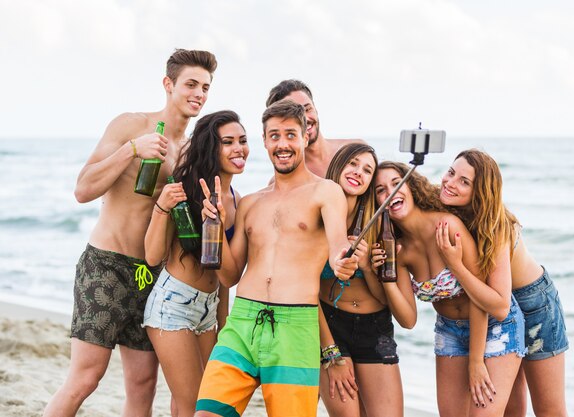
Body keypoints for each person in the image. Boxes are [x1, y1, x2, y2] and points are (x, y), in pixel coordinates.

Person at [44, 49, 217, 417]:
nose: (198, 93)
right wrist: (131, 150)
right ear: (168, 85)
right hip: (105, 264)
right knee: (86, 378)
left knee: (142, 385)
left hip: (152, 276)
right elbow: (82, 190)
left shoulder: (190, 151)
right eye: (190, 84)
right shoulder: (130, 125)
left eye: (205, 87)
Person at [194, 100, 359, 417]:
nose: (282, 144)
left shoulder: (325, 192)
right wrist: (212, 225)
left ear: (305, 136)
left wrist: (344, 261)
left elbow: (339, 244)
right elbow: (229, 276)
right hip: (242, 324)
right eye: (274, 136)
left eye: (290, 135)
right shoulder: (251, 203)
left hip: (295, 329)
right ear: (265, 140)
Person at [371, 161, 525, 417]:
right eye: (380, 190)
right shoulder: (399, 250)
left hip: (496, 326)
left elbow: (479, 296)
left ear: (410, 186)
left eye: (396, 183)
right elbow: (408, 320)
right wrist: (385, 276)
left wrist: (476, 362)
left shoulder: (448, 225)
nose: (390, 193)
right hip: (449, 331)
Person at [437, 149, 569, 417]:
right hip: (497, 313)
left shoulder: (495, 225)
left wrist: (456, 265)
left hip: (535, 306)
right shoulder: (451, 210)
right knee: (509, 408)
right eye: (451, 173)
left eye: (464, 181)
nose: (451, 183)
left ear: (480, 191)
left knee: (549, 409)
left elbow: (498, 302)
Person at [141, 110, 248, 417]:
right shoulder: (186, 188)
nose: (239, 148)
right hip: (172, 306)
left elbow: (228, 275)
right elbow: (151, 257)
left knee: (200, 401)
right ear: (211, 147)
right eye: (228, 142)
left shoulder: (238, 199)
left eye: (242, 140)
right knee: (192, 404)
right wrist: (162, 207)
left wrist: (223, 320)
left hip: (209, 311)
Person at [318, 143, 410, 417]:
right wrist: (330, 352)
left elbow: (390, 305)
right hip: (330, 326)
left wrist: (368, 267)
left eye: (367, 170)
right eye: (353, 164)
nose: (359, 172)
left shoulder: (378, 224)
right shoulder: (316, 216)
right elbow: (305, 291)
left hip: (375, 327)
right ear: (338, 165)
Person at [266, 79, 365, 177]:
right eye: (293, 115)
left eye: (308, 109)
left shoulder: (356, 150)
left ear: (315, 109)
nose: (305, 119)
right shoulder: (287, 180)